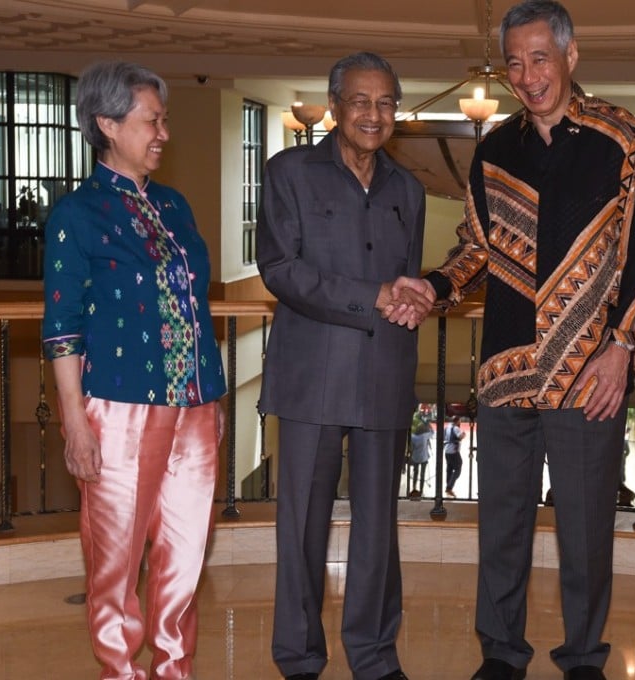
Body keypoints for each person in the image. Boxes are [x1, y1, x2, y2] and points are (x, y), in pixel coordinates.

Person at [386, 3, 635, 678]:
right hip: (507, 368)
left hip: (586, 369)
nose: (528, 75)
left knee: (587, 531)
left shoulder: (621, 138)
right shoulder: (494, 150)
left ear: (570, 56)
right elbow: (477, 250)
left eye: (540, 57)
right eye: (515, 61)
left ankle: (585, 657)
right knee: (500, 526)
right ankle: (501, 654)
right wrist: (435, 287)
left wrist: (621, 346)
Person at [42, 61, 226, 680]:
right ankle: (119, 671)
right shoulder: (77, 215)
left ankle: (175, 668)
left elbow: (195, 301)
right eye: (152, 120)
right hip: (118, 410)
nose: (163, 133)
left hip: (194, 407)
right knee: (115, 561)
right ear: (108, 125)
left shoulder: (174, 205)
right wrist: (75, 424)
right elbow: (62, 329)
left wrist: (212, 400)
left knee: (183, 554)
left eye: (163, 119)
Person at [257, 51, 427, 680]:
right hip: (311, 380)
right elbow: (280, 268)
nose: (373, 114)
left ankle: (376, 656)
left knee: (379, 531)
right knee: (302, 527)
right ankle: (300, 659)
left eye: (385, 103)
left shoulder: (407, 189)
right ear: (334, 106)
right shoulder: (288, 173)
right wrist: (373, 295)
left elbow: (403, 282)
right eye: (360, 101)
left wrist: (408, 300)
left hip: (384, 376)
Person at [407, 412, 432, 498]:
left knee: (415, 473)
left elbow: (411, 448)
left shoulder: (413, 436)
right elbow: (432, 432)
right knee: (422, 474)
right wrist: (428, 425)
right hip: (424, 458)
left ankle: (414, 487)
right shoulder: (425, 436)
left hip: (415, 457)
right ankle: (421, 489)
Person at [443, 415, 465, 498]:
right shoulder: (456, 428)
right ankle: (449, 487)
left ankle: (448, 486)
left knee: (449, 469)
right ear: (457, 421)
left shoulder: (447, 427)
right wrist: (464, 435)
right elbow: (460, 436)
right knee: (458, 469)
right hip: (454, 451)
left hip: (447, 451)